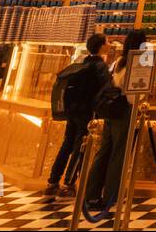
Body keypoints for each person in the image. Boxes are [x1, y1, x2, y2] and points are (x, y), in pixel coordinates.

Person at [83, 29, 148, 216]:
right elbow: (135, 93)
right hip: (125, 110)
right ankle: (112, 195)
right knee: (119, 154)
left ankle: (91, 194)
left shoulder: (120, 61)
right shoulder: (138, 62)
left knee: (104, 152)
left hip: (111, 110)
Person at [44, 33, 111, 196]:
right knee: (80, 147)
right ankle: (69, 184)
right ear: (101, 46)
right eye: (107, 42)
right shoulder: (100, 66)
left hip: (72, 110)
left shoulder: (82, 63)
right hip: (86, 111)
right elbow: (107, 87)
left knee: (67, 144)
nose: (109, 44)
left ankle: (53, 182)